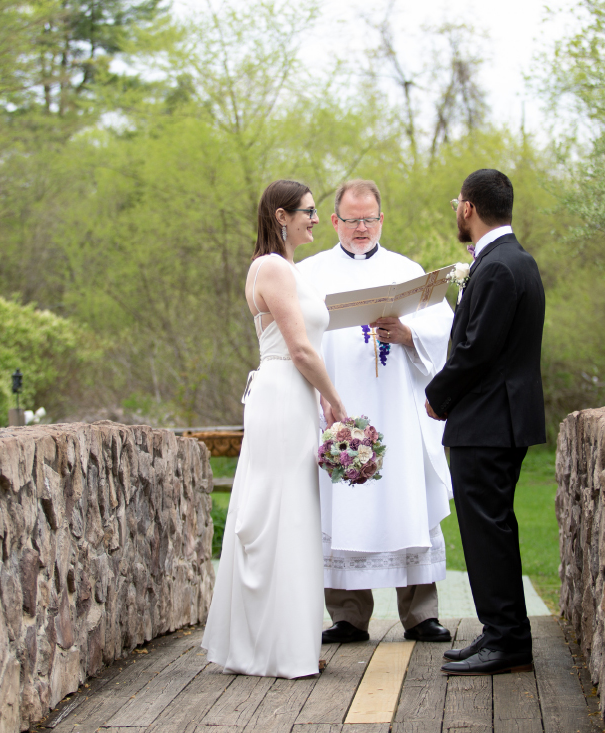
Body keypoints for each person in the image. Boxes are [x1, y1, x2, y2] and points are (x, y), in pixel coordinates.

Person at [202, 180, 349, 679]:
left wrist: (320, 399)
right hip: (284, 392)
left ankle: (289, 640)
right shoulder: (270, 268)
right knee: (275, 516)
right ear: (282, 216)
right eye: (309, 211)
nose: (315, 218)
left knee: (293, 515)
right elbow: (301, 349)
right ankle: (274, 647)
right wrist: (336, 402)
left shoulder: (289, 270)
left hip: (293, 395)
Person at [299, 179, 455, 645]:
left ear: (381, 219)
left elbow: (439, 330)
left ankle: (420, 613)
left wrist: (408, 333)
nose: (361, 227)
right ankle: (348, 615)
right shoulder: (309, 274)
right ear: (334, 222)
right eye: (352, 219)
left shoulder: (408, 271)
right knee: (341, 504)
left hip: (397, 412)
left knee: (406, 498)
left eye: (369, 219)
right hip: (338, 407)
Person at [424, 169, 546, 675]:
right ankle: (499, 631)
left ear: (469, 208)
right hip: (497, 419)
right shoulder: (513, 260)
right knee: (488, 530)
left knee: (487, 532)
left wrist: (438, 395)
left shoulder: (497, 268)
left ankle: (510, 642)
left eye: (458, 202)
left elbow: (476, 351)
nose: (457, 210)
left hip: (489, 422)